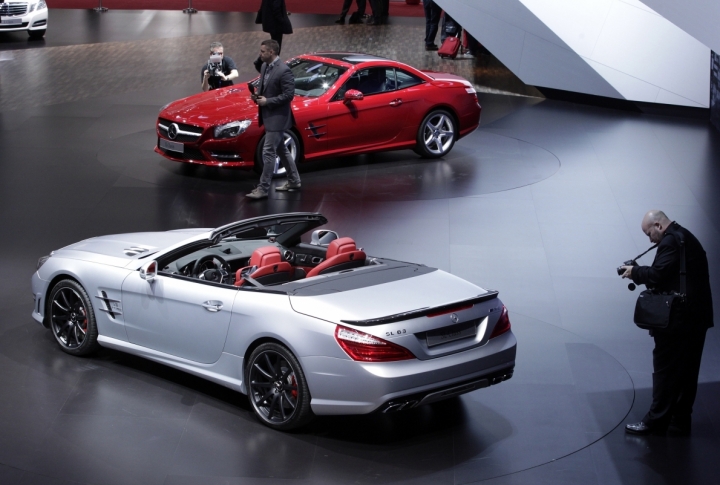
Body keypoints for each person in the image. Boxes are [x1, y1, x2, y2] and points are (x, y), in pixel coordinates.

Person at [621, 210, 713, 435]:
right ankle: (680, 420)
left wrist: (635, 272)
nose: (650, 239)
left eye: (648, 233)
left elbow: (656, 274)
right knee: (687, 372)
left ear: (658, 226)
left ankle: (655, 421)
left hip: (679, 320)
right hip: (697, 318)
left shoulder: (671, 242)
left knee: (664, 370)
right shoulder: (686, 237)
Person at [246, 39, 301, 200]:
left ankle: (263, 188)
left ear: (272, 52)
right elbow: (265, 87)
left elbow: (288, 95)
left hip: (278, 118)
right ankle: (294, 180)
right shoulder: (264, 66)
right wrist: (257, 96)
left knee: (268, 152)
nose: (260, 54)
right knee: (281, 150)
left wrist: (267, 101)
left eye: (263, 51)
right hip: (268, 115)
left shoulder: (284, 71)